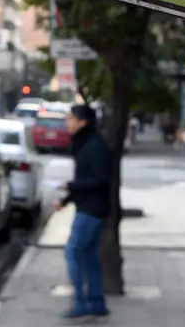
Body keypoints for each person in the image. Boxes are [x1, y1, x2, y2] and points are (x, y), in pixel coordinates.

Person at [53, 104, 111, 319]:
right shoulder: (84, 143)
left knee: (73, 252)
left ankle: (81, 302)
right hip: (89, 206)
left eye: (70, 118)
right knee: (88, 256)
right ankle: (96, 303)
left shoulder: (95, 146)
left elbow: (99, 180)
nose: (67, 122)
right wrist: (66, 200)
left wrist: (71, 187)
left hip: (92, 209)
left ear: (82, 121)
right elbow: (82, 180)